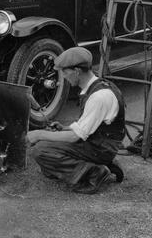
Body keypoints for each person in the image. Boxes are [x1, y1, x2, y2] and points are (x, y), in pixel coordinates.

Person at [27, 46, 125, 194]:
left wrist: (38, 134)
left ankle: (94, 172)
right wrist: (65, 128)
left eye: (65, 72)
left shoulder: (99, 97)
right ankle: (98, 164)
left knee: (40, 150)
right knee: (47, 151)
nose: (64, 77)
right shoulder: (95, 86)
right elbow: (88, 125)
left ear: (77, 71)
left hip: (101, 148)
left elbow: (75, 137)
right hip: (98, 142)